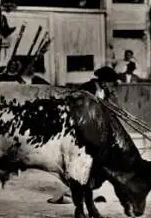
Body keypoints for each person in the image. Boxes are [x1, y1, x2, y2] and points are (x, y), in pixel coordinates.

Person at [47, 66, 120, 204]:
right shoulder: (87, 89)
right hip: (80, 131)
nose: (112, 86)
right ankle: (73, 192)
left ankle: (89, 191)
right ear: (104, 81)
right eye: (111, 83)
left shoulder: (104, 91)